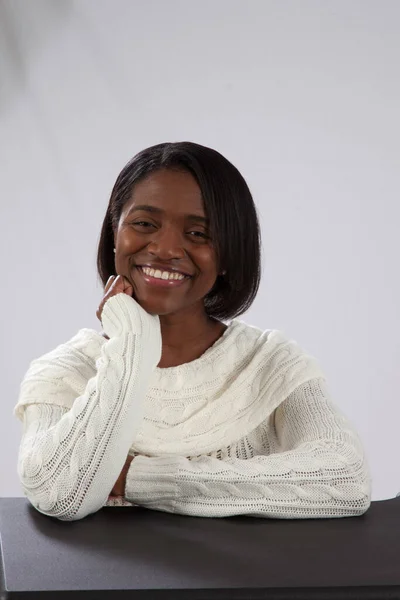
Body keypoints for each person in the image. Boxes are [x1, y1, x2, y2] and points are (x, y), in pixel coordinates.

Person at [14, 142, 371, 521]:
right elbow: (58, 493)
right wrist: (133, 343)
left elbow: (344, 478)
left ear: (229, 253)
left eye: (198, 233)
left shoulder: (269, 364)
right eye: (144, 224)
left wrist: (137, 478)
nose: (166, 248)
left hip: (245, 581)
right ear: (114, 233)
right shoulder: (66, 371)